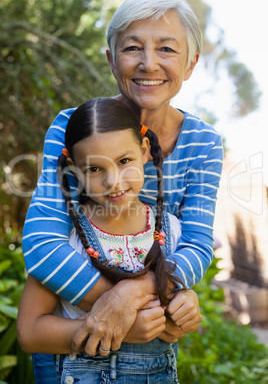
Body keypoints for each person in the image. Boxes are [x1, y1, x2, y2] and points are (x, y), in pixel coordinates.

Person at [21, 0, 223, 376]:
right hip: (67, 356)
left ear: (192, 62)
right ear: (112, 60)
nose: (149, 64)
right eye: (133, 48)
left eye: (167, 49)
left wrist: (134, 294)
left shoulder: (204, 144)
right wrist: (119, 308)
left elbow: (196, 246)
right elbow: (44, 243)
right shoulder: (72, 127)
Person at [18, 97, 197, 383]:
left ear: (144, 151)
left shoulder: (171, 231)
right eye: (94, 169)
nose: (113, 180)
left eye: (124, 161)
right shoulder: (66, 239)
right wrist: (122, 328)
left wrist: (186, 301)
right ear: (75, 171)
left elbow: (175, 302)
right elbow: (29, 333)